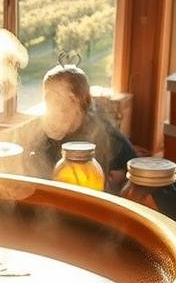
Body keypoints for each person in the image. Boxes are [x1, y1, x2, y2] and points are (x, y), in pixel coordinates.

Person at [24, 63, 137, 191]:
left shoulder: (109, 138)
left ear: (81, 102)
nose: (53, 108)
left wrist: (118, 183)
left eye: (59, 100)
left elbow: (131, 184)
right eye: (48, 98)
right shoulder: (39, 133)